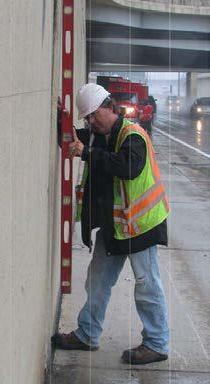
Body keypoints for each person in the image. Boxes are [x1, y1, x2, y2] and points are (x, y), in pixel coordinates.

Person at [52, 84, 170, 365]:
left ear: (110, 107)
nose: (91, 122)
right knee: (98, 281)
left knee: (146, 284)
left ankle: (156, 343)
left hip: (140, 227)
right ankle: (87, 334)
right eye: (87, 119)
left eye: (94, 115)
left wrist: (87, 154)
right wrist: (61, 120)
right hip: (116, 226)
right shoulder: (99, 136)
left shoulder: (133, 136)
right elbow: (69, 140)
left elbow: (128, 167)